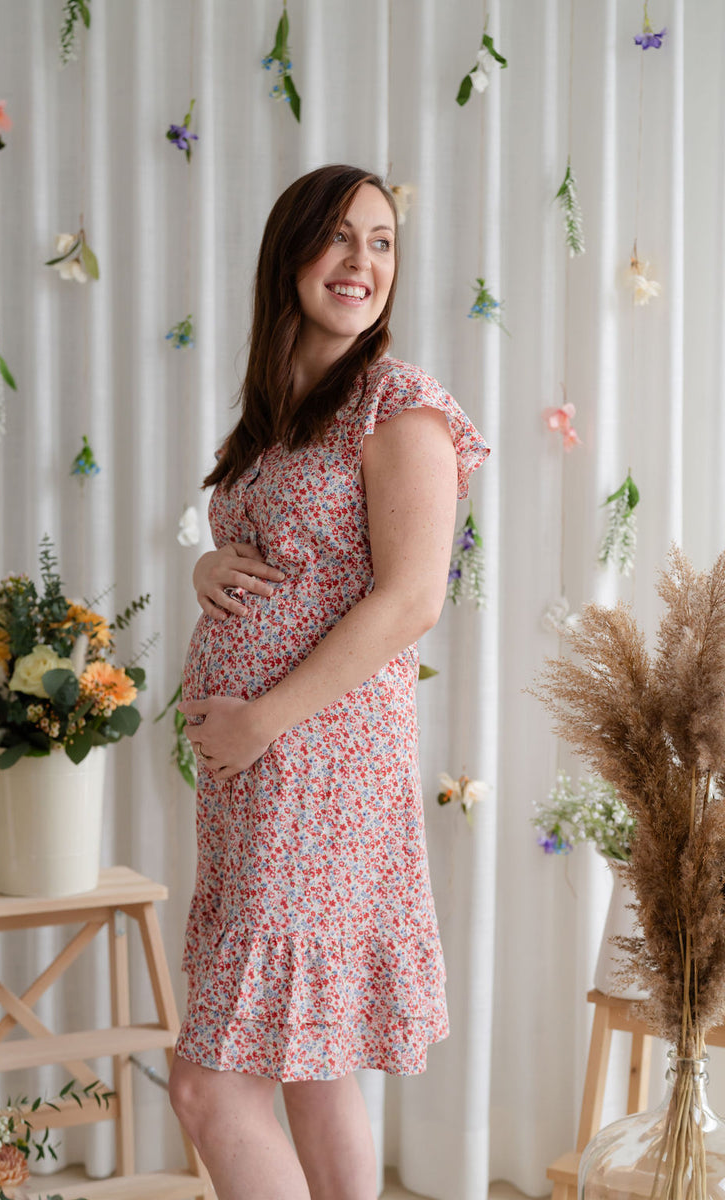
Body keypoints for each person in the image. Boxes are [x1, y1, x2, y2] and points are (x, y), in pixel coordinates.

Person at [168, 163, 489, 1200]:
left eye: (382, 241)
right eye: (340, 238)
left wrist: (260, 718)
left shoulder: (399, 403)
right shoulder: (279, 412)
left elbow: (408, 602)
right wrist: (203, 565)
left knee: (208, 1089)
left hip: (313, 764)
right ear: (289, 254)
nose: (362, 262)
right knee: (308, 1063)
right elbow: (271, 550)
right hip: (261, 774)